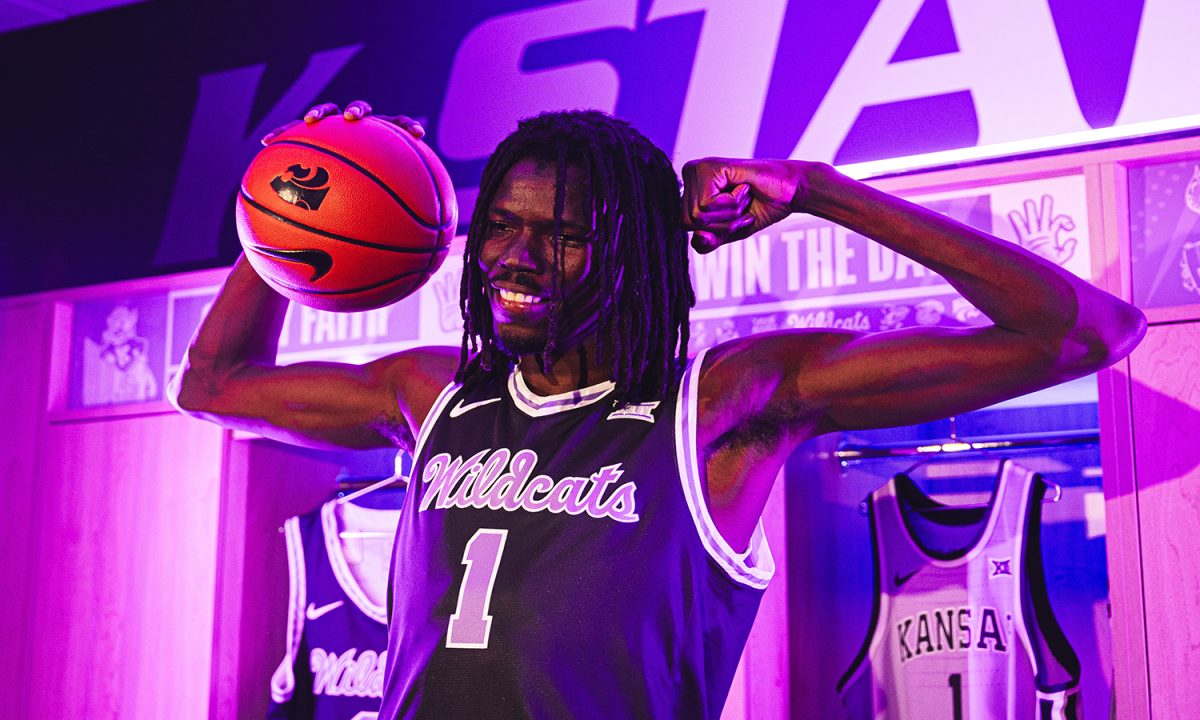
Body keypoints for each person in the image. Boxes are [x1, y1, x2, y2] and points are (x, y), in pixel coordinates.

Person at [170, 101, 1145, 719]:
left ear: (633, 253)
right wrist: (289, 211)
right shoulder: (431, 396)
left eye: (561, 236)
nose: (515, 257)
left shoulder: (720, 407)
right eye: (502, 227)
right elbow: (211, 387)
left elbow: (1082, 334)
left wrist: (822, 192)